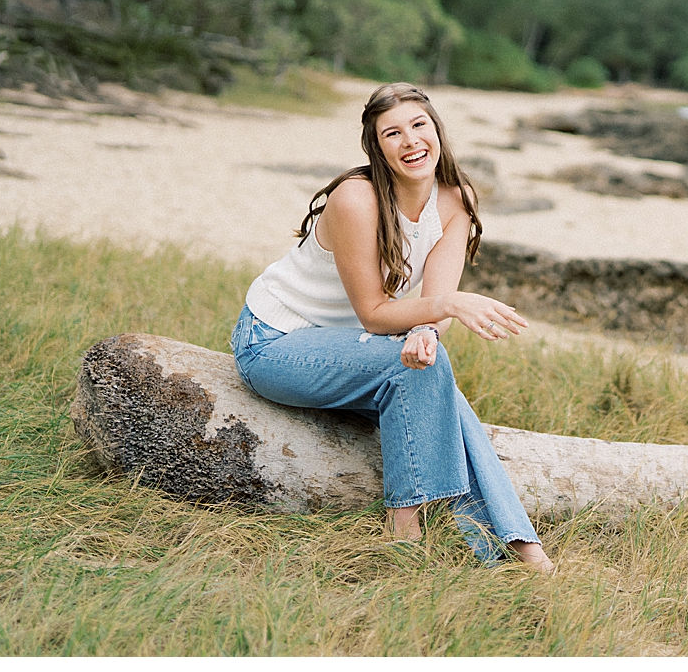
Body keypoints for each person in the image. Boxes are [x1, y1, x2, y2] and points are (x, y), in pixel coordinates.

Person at [229, 82, 553, 572]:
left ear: (437, 130)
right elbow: (375, 312)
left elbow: (433, 305)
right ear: (376, 148)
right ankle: (408, 535)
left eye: (419, 125)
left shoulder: (455, 200)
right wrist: (443, 308)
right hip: (277, 344)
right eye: (392, 133)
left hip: (359, 349)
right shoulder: (355, 200)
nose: (410, 141)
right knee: (422, 377)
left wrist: (429, 332)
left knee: (434, 376)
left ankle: (517, 549)